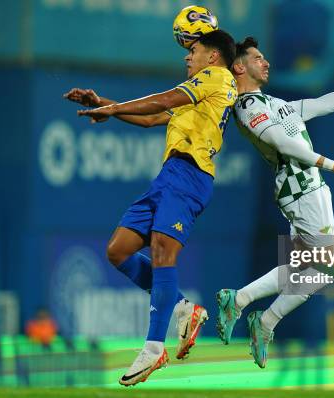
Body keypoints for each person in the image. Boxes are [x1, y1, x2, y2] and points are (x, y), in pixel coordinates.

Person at [216, 37, 334, 368]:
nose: (266, 62)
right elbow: (281, 142)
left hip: (309, 188)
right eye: (258, 58)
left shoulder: (271, 102)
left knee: (311, 272)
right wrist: (331, 163)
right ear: (239, 66)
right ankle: (247, 306)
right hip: (300, 189)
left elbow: (319, 104)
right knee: (324, 266)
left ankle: (258, 316)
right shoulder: (246, 108)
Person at [63, 30, 237, 386]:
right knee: (119, 250)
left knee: (161, 250)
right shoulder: (197, 96)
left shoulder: (217, 78)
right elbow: (149, 117)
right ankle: (184, 309)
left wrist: (112, 108)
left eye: (194, 50)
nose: (187, 57)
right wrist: (106, 104)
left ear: (213, 57)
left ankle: (154, 346)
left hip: (192, 174)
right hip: (168, 175)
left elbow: (162, 100)